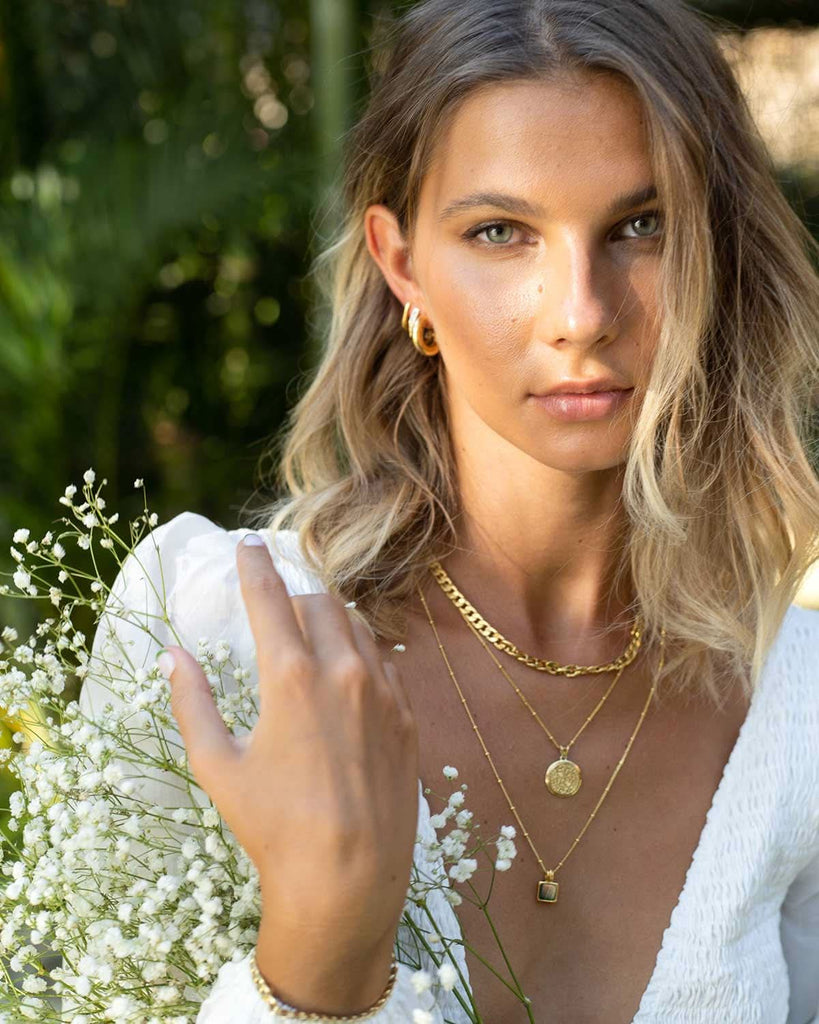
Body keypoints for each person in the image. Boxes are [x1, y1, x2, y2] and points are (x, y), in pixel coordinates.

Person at [80, 0, 819, 1020]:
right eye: (502, 232)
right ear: (403, 265)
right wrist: (316, 962)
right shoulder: (215, 635)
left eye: (641, 226)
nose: (581, 314)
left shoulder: (793, 704)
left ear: (719, 250)